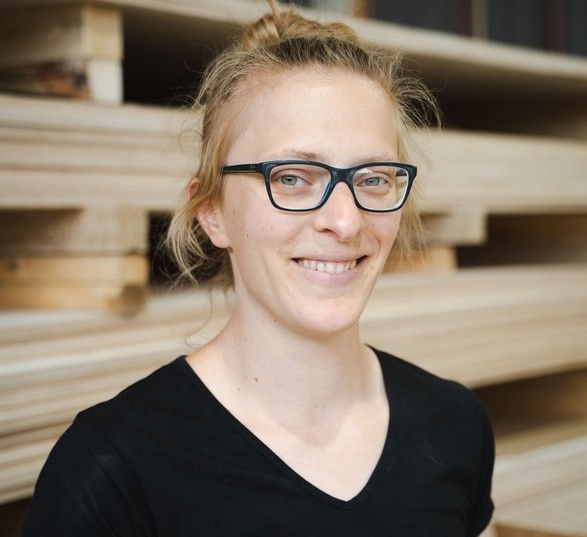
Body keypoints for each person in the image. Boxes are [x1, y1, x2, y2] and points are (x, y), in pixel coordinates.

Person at [21, 1, 495, 535]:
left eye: (374, 178)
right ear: (213, 213)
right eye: (292, 178)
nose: (345, 220)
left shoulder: (456, 425)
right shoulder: (111, 469)